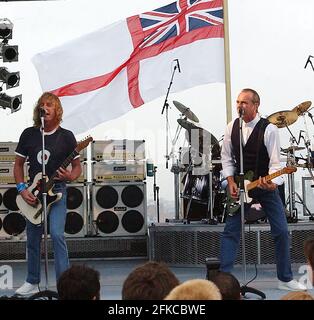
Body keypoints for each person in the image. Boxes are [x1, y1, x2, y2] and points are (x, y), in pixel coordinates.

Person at [220, 88, 306, 291]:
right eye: (238, 102)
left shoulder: (269, 129)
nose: (240, 106)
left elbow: (276, 165)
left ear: (256, 105)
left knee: (282, 231)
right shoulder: (231, 126)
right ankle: (222, 280)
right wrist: (231, 181)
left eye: (245, 103)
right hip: (241, 188)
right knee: (230, 232)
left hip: (265, 188)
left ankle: (285, 279)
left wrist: (273, 182)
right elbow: (226, 158)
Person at [14, 92, 82, 295]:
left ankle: (64, 285)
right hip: (33, 193)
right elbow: (17, 165)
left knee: (58, 235)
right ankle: (32, 281)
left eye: (50, 105)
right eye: (42, 105)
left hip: (57, 191)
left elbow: (78, 167)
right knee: (33, 238)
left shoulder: (67, 136)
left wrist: (70, 176)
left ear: (57, 109)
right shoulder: (29, 134)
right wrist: (22, 189)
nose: (45, 108)